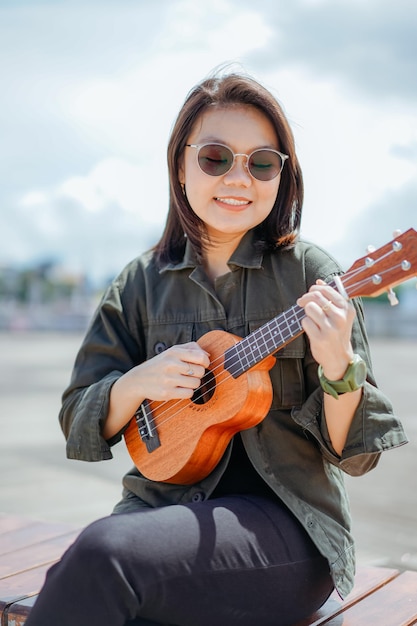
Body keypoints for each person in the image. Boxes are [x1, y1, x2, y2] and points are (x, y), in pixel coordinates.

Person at [25, 70, 407, 626]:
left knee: (104, 556)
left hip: (287, 528)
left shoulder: (314, 276)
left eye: (262, 162)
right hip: (160, 511)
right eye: (215, 157)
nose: (239, 177)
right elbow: (77, 416)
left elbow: (358, 455)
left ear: (282, 176)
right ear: (180, 166)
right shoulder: (141, 282)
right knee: (103, 566)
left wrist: (339, 369)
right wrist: (138, 383)